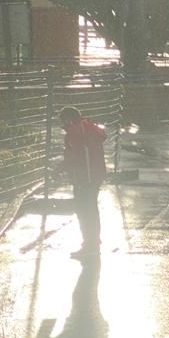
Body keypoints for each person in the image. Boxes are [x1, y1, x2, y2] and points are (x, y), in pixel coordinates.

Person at [60, 106, 107, 260]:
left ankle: (89, 245)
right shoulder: (89, 128)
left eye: (62, 121)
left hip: (85, 177)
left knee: (84, 210)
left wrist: (59, 168)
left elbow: (76, 157)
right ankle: (94, 241)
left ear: (68, 120)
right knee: (91, 209)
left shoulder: (75, 132)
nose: (62, 125)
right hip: (96, 175)